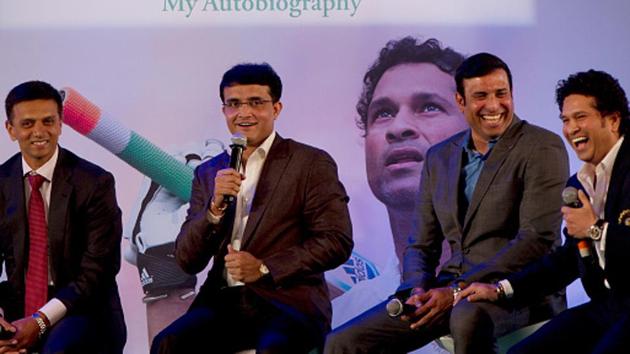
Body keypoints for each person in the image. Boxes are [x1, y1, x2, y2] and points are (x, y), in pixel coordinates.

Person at [325, 53, 569, 354]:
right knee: (342, 342)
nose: (493, 105)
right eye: (481, 96)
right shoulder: (440, 156)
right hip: (445, 289)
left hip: (518, 292)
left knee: (466, 317)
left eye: (501, 94)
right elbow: (421, 243)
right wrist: (415, 289)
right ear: (461, 101)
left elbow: (536, 239)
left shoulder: (541, 146)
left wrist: (455, 291)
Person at [151, 63, 353, 353]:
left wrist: (263, 267)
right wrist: (214, 210)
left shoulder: (310, 163)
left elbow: (336, 241)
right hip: (223, 302)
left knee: (273, 348)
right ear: (224, 111)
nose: (244, 113)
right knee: (166, 344)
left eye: (256, 103)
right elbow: (187, 260)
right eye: (234, 104)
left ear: (277, 108)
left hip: (287, 301)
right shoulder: (209, 172)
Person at [459, 69, 630, 354]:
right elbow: (566, 261)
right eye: (565, 119)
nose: (571, 128)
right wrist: (501, 289)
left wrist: (597, 230)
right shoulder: (579, 183)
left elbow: (598, 233)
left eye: (580, 117)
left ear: (612, 120)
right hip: (607, 307)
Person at [329, 36, 469, 328]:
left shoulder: (532, 294)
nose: (399, 127)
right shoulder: (344, 319)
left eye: (429, 107)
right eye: (383, 113)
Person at [0, 81, 126, 353]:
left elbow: (97, 272)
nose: (39, 132)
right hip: (18, 306)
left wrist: (40, 321)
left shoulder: (95, 182)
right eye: (27, 124)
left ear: (60, 124)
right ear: (10, 129)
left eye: (48, 121)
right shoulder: (1, 182)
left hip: (81, 308)